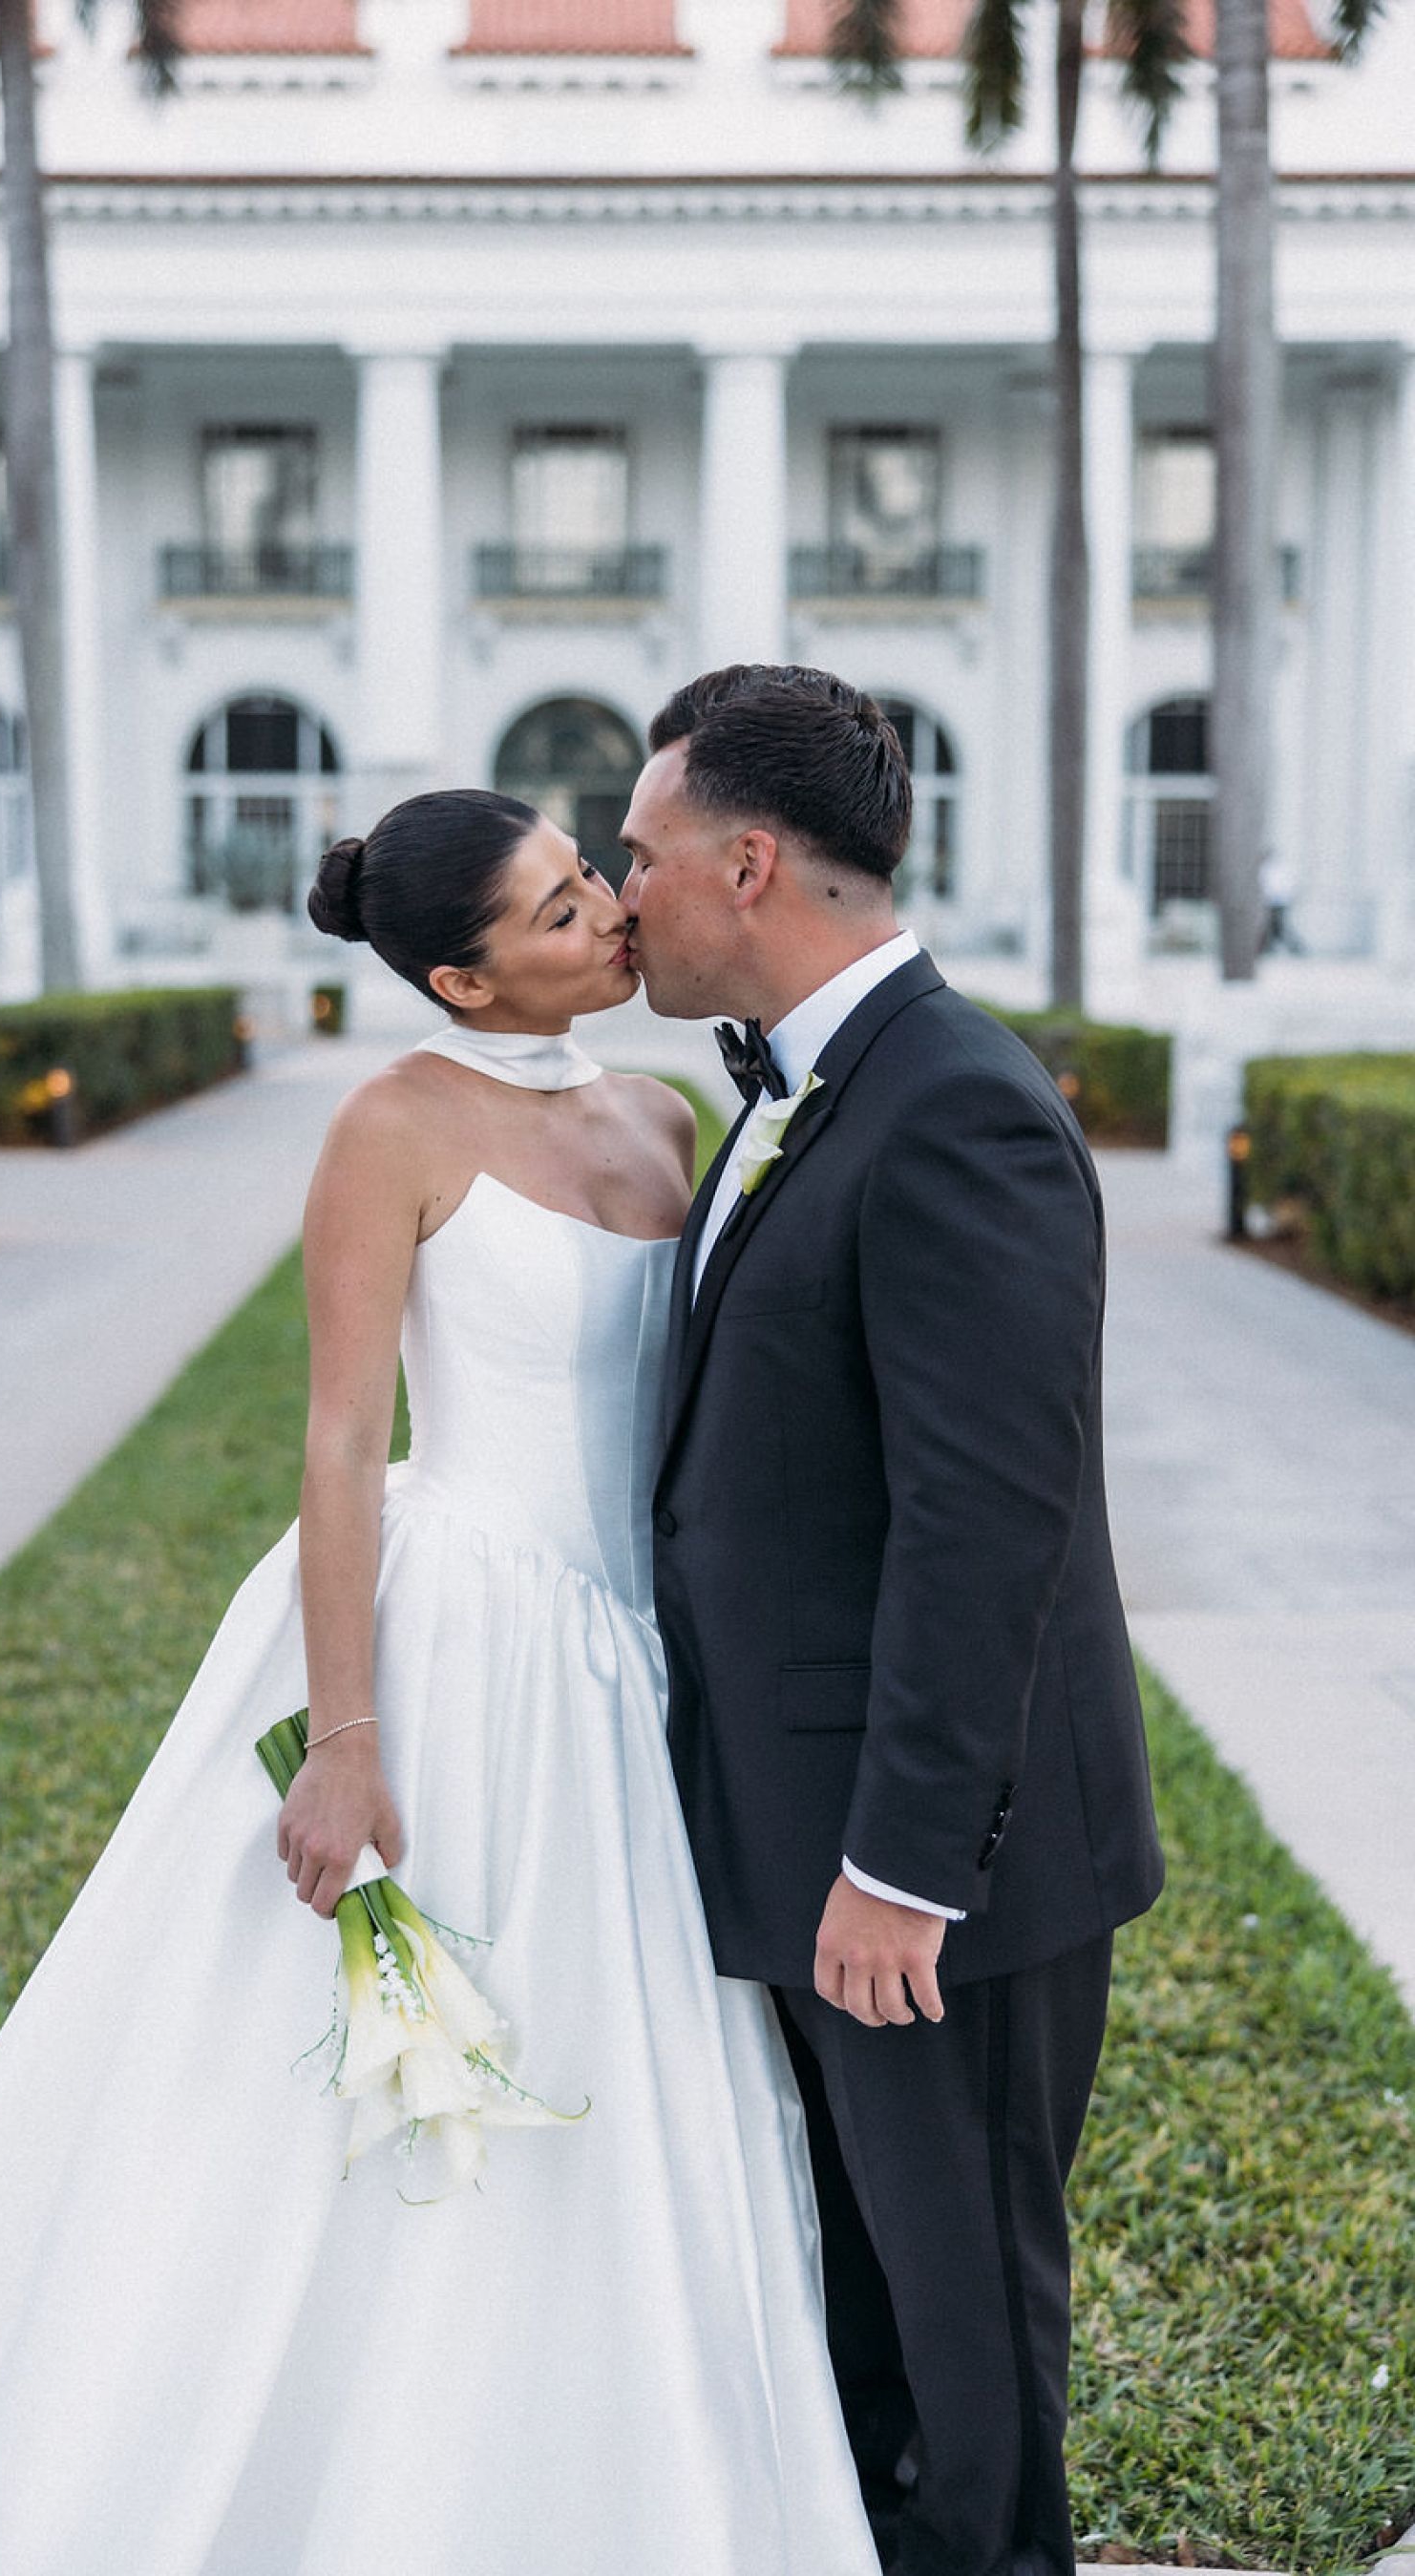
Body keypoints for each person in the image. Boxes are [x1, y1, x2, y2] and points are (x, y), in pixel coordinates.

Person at [0, 789, 878, 2576]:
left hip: (633, 1658)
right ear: (465, 983)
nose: (609, 920)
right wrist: (344, 1736)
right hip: (462, 1639)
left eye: (590, 880)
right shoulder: (390, 1125)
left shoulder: (666, 1107)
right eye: (562, 915)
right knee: (356, 2097)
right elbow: (339, 1442)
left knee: (635, 2058)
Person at [620, 665, 1165, 2576]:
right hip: (807, 1835)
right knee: (863, 2315)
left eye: (642, 852)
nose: (622, 898)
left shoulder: (960, 1112)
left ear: (749, 860)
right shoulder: (800, 1088)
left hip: (938, 1872)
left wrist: (903, 1865)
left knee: (965, 2332)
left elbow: (985, 1521)